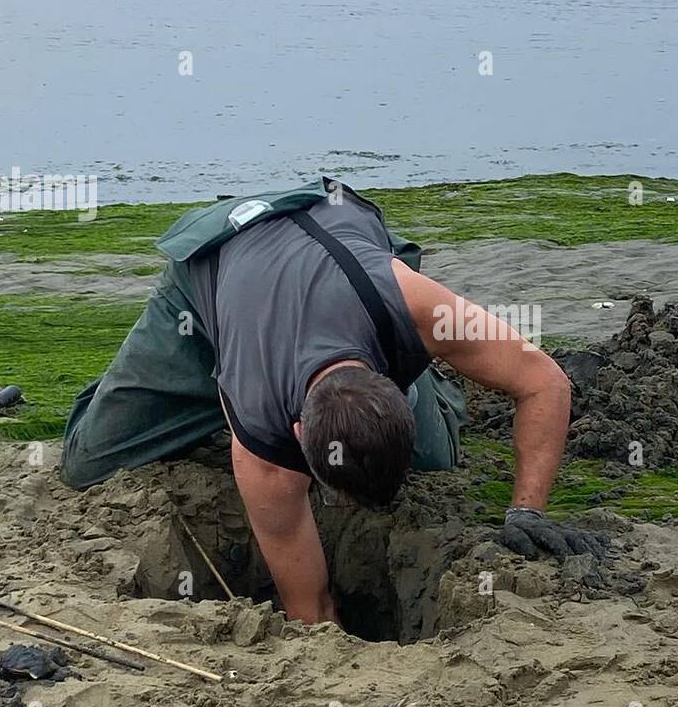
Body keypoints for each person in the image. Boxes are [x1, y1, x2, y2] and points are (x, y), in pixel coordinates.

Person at [62, 178, 602, 624]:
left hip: (336, 229)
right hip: (215, 268)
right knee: (86, 462)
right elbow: (309, 610)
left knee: (435, 462)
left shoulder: (413, 304)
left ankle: (429, 394)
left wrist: (527, 509)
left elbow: (544, 382)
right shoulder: (261, 440)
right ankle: (177, 393)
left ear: (390, 383)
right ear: (296, 436)